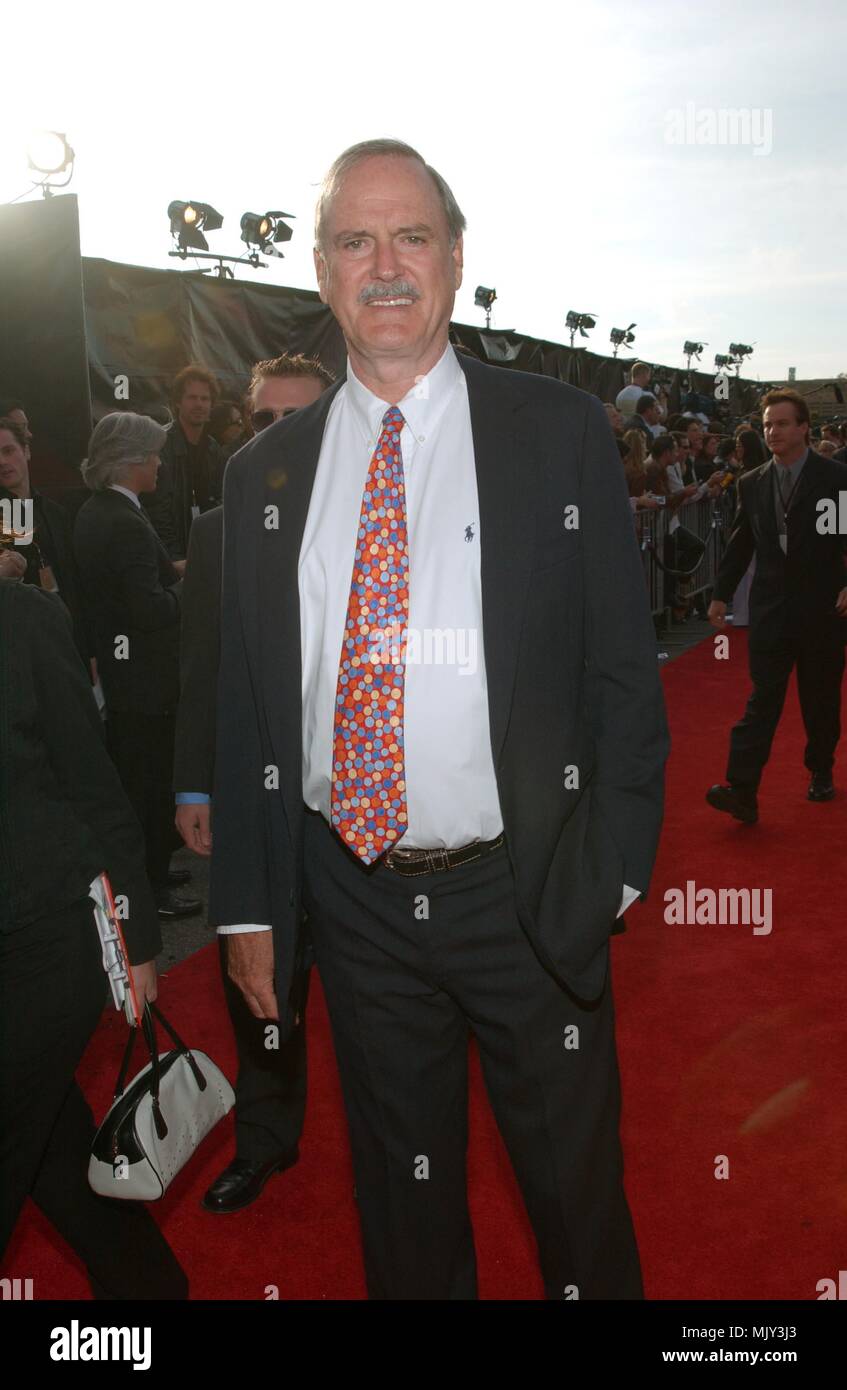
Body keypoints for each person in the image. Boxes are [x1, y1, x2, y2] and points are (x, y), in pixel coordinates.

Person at [209, 137, 669, 1300]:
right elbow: (252, 707)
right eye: (355, 241)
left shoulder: (555, 432)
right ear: (320, 271)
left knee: (575, 1204)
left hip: (526, 888)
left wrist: (610, 866)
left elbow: (624, 661)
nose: (386, 265)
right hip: (351, 895)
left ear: (455, 258)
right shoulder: (262, 476)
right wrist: (250, 901)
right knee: (403, 1222)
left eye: (410, 234)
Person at [173, 354, 331, 1215]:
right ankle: (267, 1141)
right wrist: (193, 786)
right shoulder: (213, 528)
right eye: (265, 419)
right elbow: (201, 667)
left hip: (362, 797)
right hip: (254, 790)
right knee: (261, 978)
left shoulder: (375, 519)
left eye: (299, 418)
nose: (281, 435)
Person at [0, 579, 187, 1299]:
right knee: (48, 1148)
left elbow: (93, 782)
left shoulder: (23, 618)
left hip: (47, 938)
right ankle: (150, 1293)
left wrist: (136, 937)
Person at [74, 413, 200, 919]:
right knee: (148, 786)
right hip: (146, 682)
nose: (159, 462)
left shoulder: (98, 511)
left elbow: (128, 589)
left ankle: (154, 872)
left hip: (126, 677)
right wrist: (194, 584)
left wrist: (174, 571)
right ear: (129, 461)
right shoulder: (123, 520)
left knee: (142, 780)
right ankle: (151, 890)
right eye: (152, 454)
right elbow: (150, 610)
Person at [707, 388, 847, 820]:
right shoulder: (752, 483)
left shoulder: (835, 478)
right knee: (761, 700)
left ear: (804, 428)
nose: (773, 431)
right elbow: (740, 543)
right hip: (771, 610)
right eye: (768, 424)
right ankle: (742, 790)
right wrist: (719, 594)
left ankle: (820, 770)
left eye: (783, 423)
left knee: (820, 699)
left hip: (823, 609)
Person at [0, 416, 90, 663]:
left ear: (26, 451)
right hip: (22, 653)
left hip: (66, 643)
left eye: (8, 451)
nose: (2, 461)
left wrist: (87, 649)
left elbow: (73, 584)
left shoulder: (55, 513)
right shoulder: (8, 512)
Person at [142, 365, 226, 564]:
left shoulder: (213, 449)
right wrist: (174, 558)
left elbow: (220, 503)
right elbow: (157, 510)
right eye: (192, 397)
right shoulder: (161, 444)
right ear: (178, 402)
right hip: (172, 557)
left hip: (205, 551)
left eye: (204, 399)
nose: (199, 404)